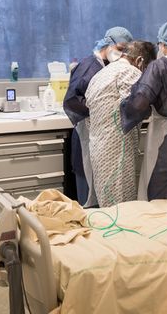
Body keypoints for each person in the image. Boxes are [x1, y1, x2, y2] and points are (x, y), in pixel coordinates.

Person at [63, 26, 133, 207]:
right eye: (120, 48)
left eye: (127, 50)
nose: (123, 53)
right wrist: (97, 110)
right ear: (108, 44)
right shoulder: (89, 66)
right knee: (88, 199)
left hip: (101, 135)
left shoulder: (107, 67)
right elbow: (71, 100)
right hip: (87, 133)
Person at [85, 41, 156, 207]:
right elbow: (137, 106)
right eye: (147, 67)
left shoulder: (103, 73)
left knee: (106, 200)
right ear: (139, 61)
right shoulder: (129, 71)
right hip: (117, 147)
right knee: (122, 203)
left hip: (98, 145)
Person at [121, 19, 167, 201]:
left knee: (157, 196)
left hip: (165, 138)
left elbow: (139, 103)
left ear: (163, 43)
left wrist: (125, 107)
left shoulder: (159, 66)